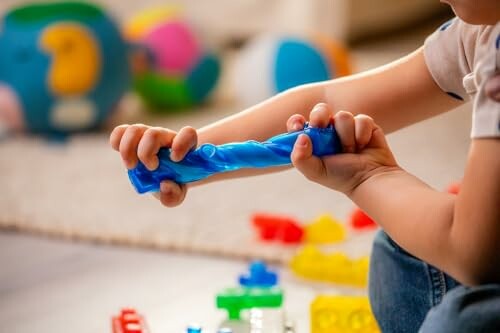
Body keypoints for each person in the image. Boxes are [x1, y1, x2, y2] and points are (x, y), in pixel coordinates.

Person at [110, 0, 500, 331]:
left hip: (478, 258)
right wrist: (189, 154)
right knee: (400, 253)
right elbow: (331, 97)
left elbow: (470, 252)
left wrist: (372, 176)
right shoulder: (480, 31)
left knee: (459, 321)